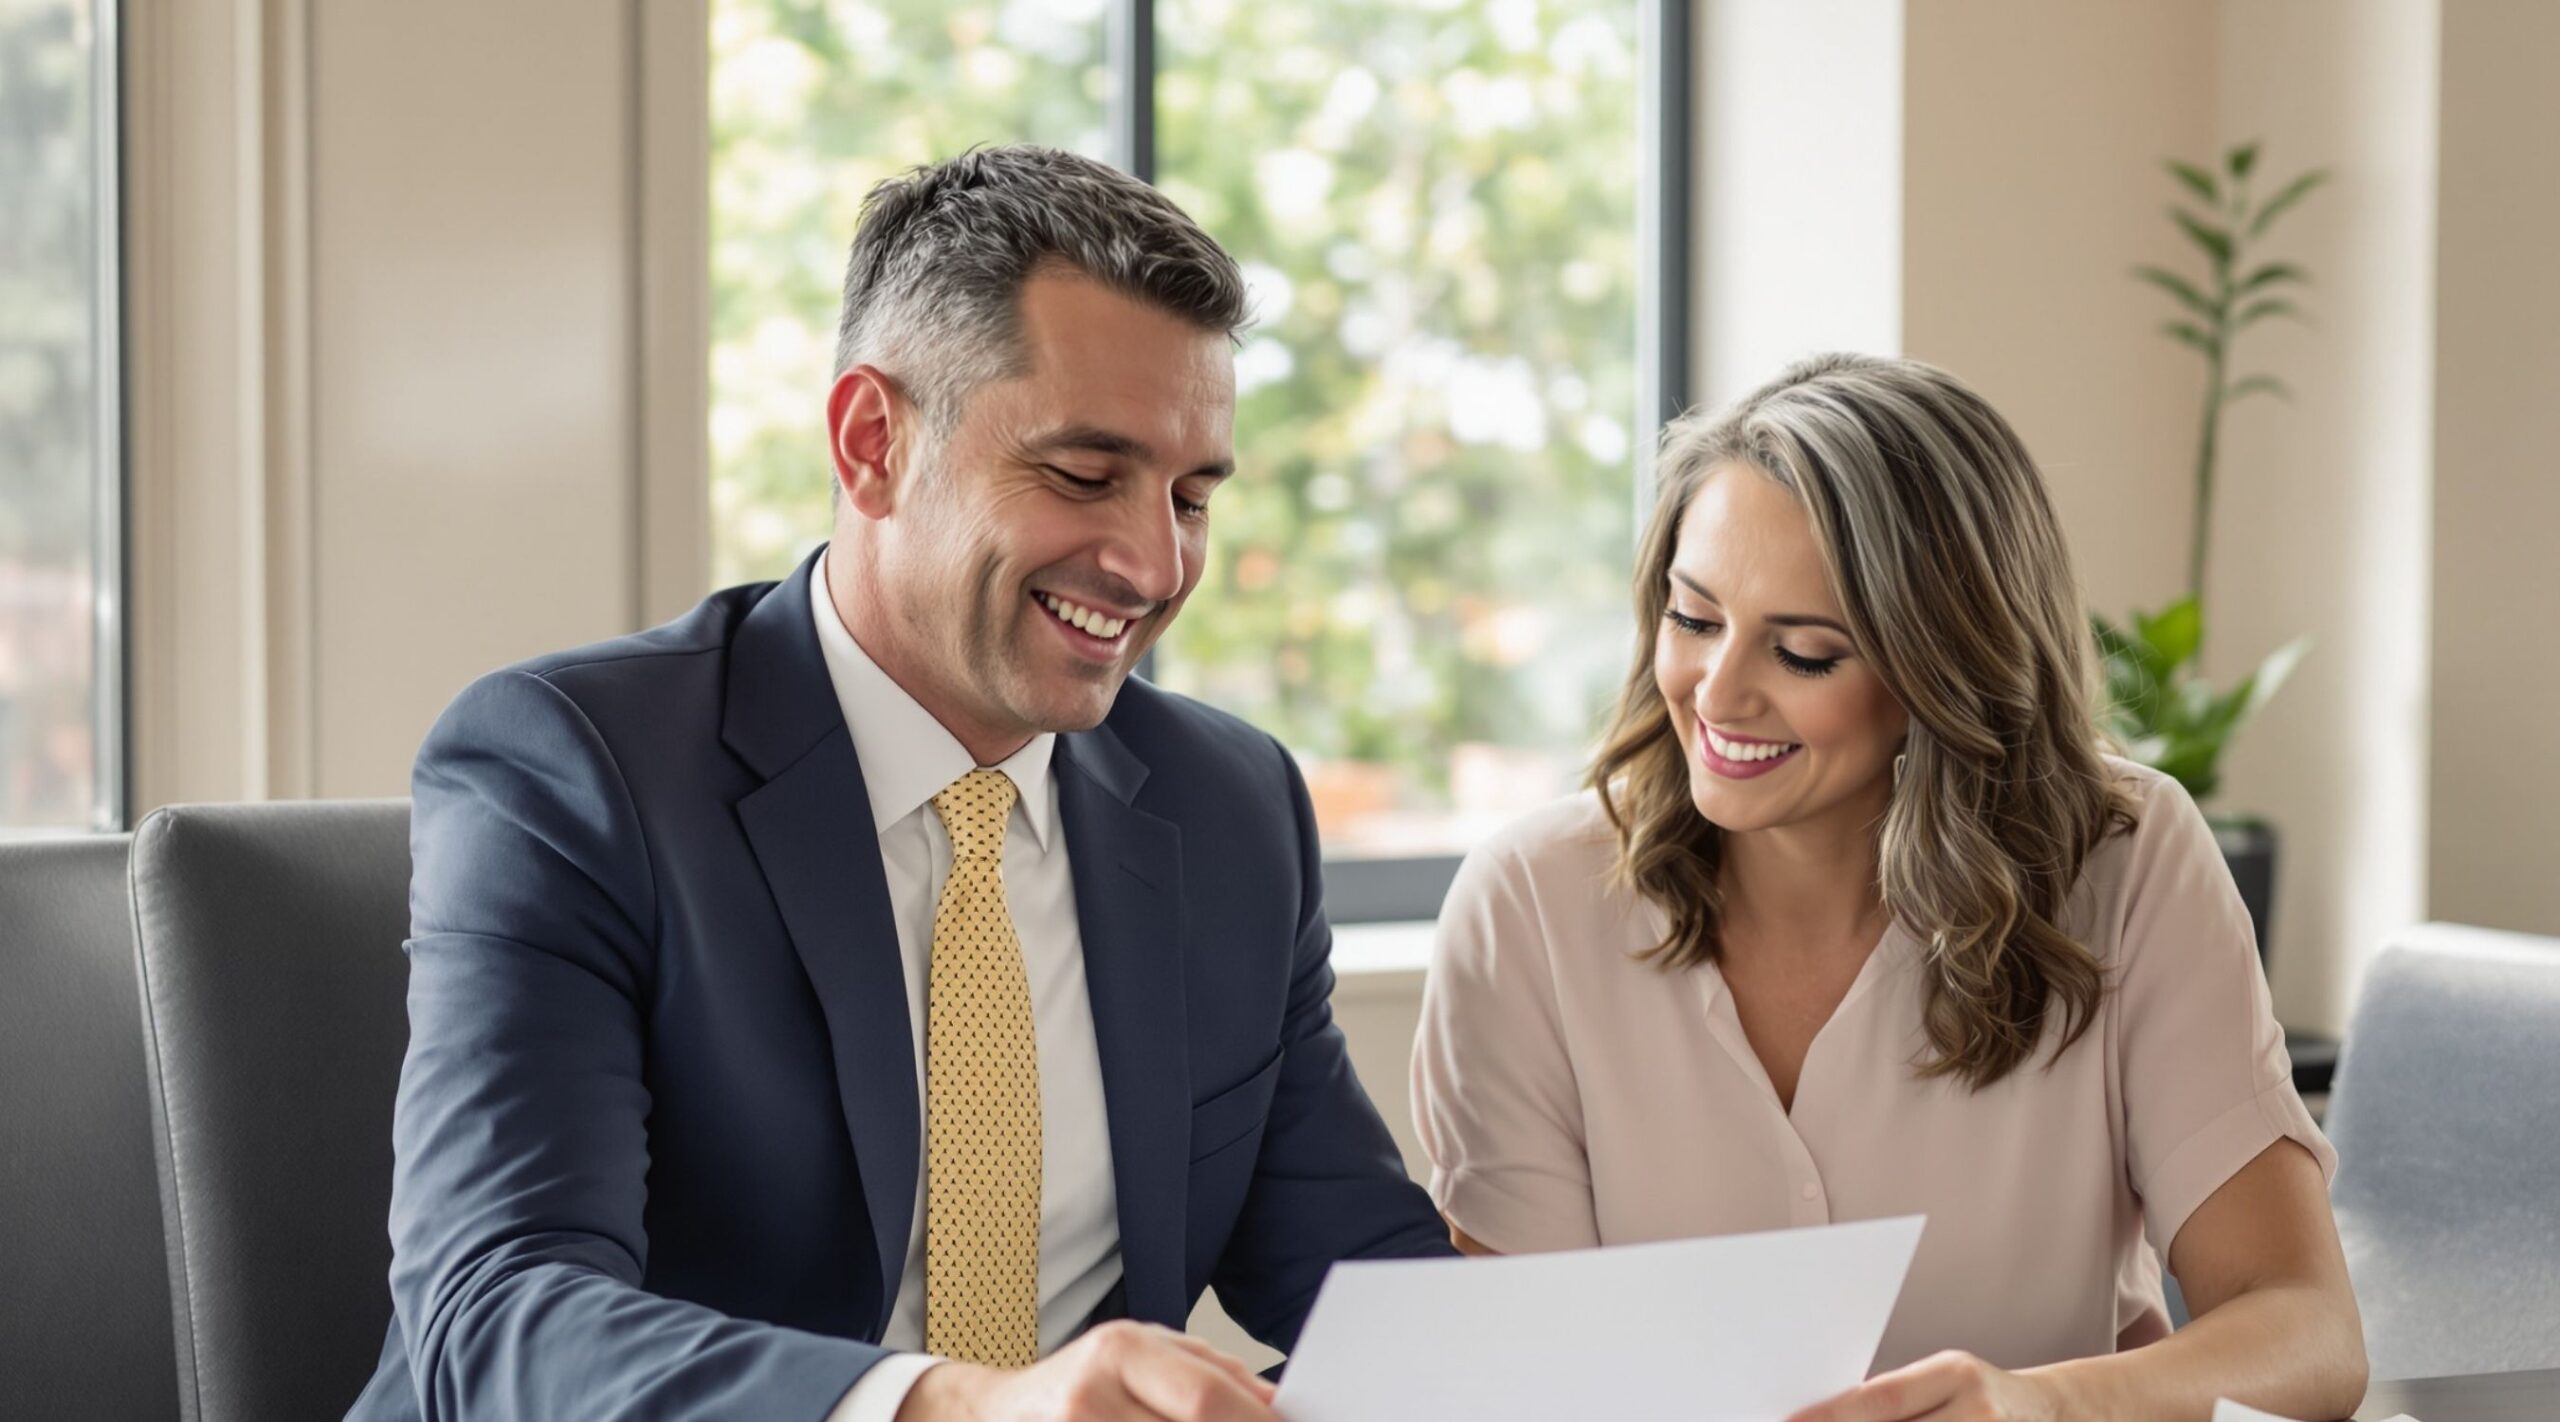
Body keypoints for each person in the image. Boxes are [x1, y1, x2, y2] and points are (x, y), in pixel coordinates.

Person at [348, 145, 1451, 1422]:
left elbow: (1373, 1290)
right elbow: (499, 1318)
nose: (1153, 564)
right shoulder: (573, 772)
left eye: (1192, 497)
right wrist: (963, 1408)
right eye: (1086, 476)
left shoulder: (1230, 806)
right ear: (873, 442)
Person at [1412, 354, 2368, 1422]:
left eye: (1806, 653)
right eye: (1693, 618)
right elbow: (1527, 1379)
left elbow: (2306, 1330)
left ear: (1940, 672)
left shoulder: (2126, 860)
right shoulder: (1527, 907)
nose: (1718, 693)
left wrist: (2037, 1407)